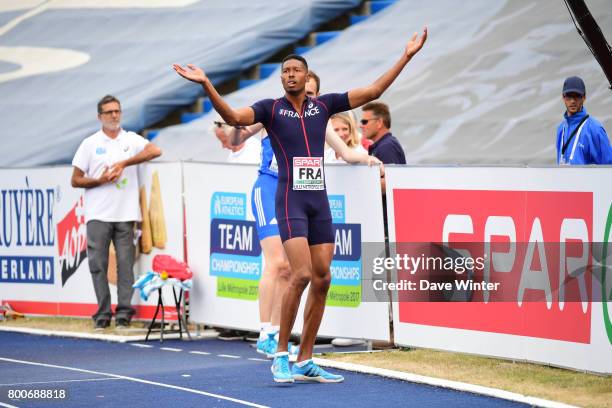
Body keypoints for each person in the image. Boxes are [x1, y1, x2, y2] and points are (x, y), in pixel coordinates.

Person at [173, 26, 426, 383]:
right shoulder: (270, 109)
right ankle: (279, 353)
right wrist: (206, 84)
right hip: (289, 198)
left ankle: (305, 358)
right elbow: (232, 119)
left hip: (318, 201)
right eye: (285, 71)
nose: (290, 75)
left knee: (323, 278)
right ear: (281, 79)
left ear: (308, 77)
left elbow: (374, 91)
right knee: (300, 273)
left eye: (296, 70)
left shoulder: (324, 107)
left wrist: (407, 56)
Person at [229, 71, 378, 358]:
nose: (305, 97)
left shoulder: (318, 119)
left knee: (294, 269)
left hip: (300, 195)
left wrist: (371, 159)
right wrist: (235, 126)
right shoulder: (273, 111)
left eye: (311, 94)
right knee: (277, 263)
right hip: (270, 188)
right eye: (303, 91)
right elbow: (238, 134)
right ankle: (265, 332)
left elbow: (346, 154)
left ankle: (276, 333)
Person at [71, 95, 162, 330]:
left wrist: (124, 163)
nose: (114, 115)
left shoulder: (130, 139)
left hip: (126, 213)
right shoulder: (90, 143)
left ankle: (124, 313)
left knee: (125, 265)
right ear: (99, 116)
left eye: (117, 111)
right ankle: (102, 314)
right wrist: (99, 180)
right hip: (98, 214)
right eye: (109, 112)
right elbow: (75, 180)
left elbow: (155, 150)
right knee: (98, 265)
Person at [556, 76, 612, 165]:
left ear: (584, 98)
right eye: (569, 96)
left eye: (577, 96)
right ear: (563, 98)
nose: (573, 101)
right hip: (564, 178)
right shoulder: (561, 129)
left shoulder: (595, 129)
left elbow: (609, 166)